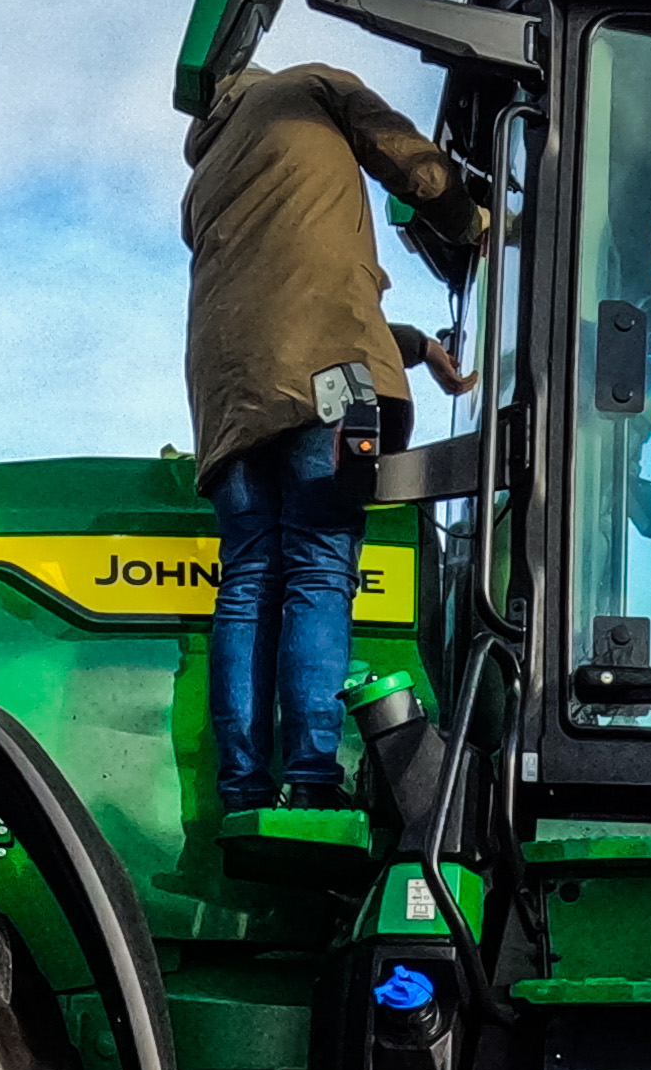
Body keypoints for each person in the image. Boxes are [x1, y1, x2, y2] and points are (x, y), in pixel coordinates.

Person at [178, 58, 483, 811]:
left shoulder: (205, 179)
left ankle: (244, 784)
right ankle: (312, 776)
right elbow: (411, 164)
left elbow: (288, 291)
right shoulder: (307, 89)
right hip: (330, 378)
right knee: (318, 564)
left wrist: (413, 345)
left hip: (228, 401)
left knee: (248, 579)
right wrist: (472, 225)